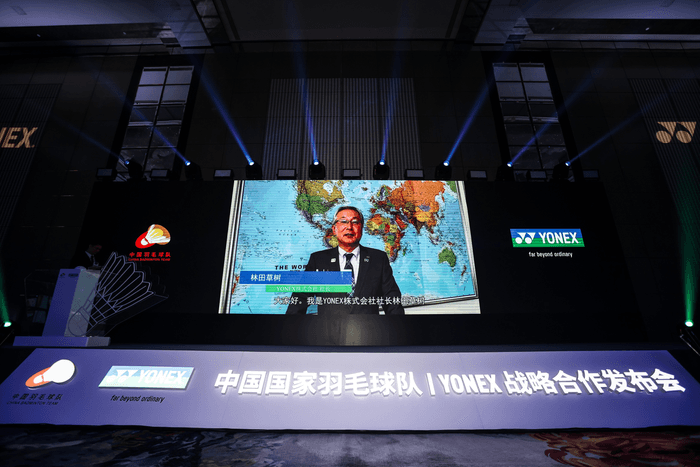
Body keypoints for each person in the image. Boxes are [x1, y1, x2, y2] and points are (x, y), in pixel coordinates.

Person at [286, 206, 404, 315]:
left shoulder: (378, 259)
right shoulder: (318, 260)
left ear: (361, 228)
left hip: (368, 329)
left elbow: (392, 301)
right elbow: (299, 299)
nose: (349, 227)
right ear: (334, 229)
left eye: (355, 222)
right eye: (343, 221)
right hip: (329, 329)